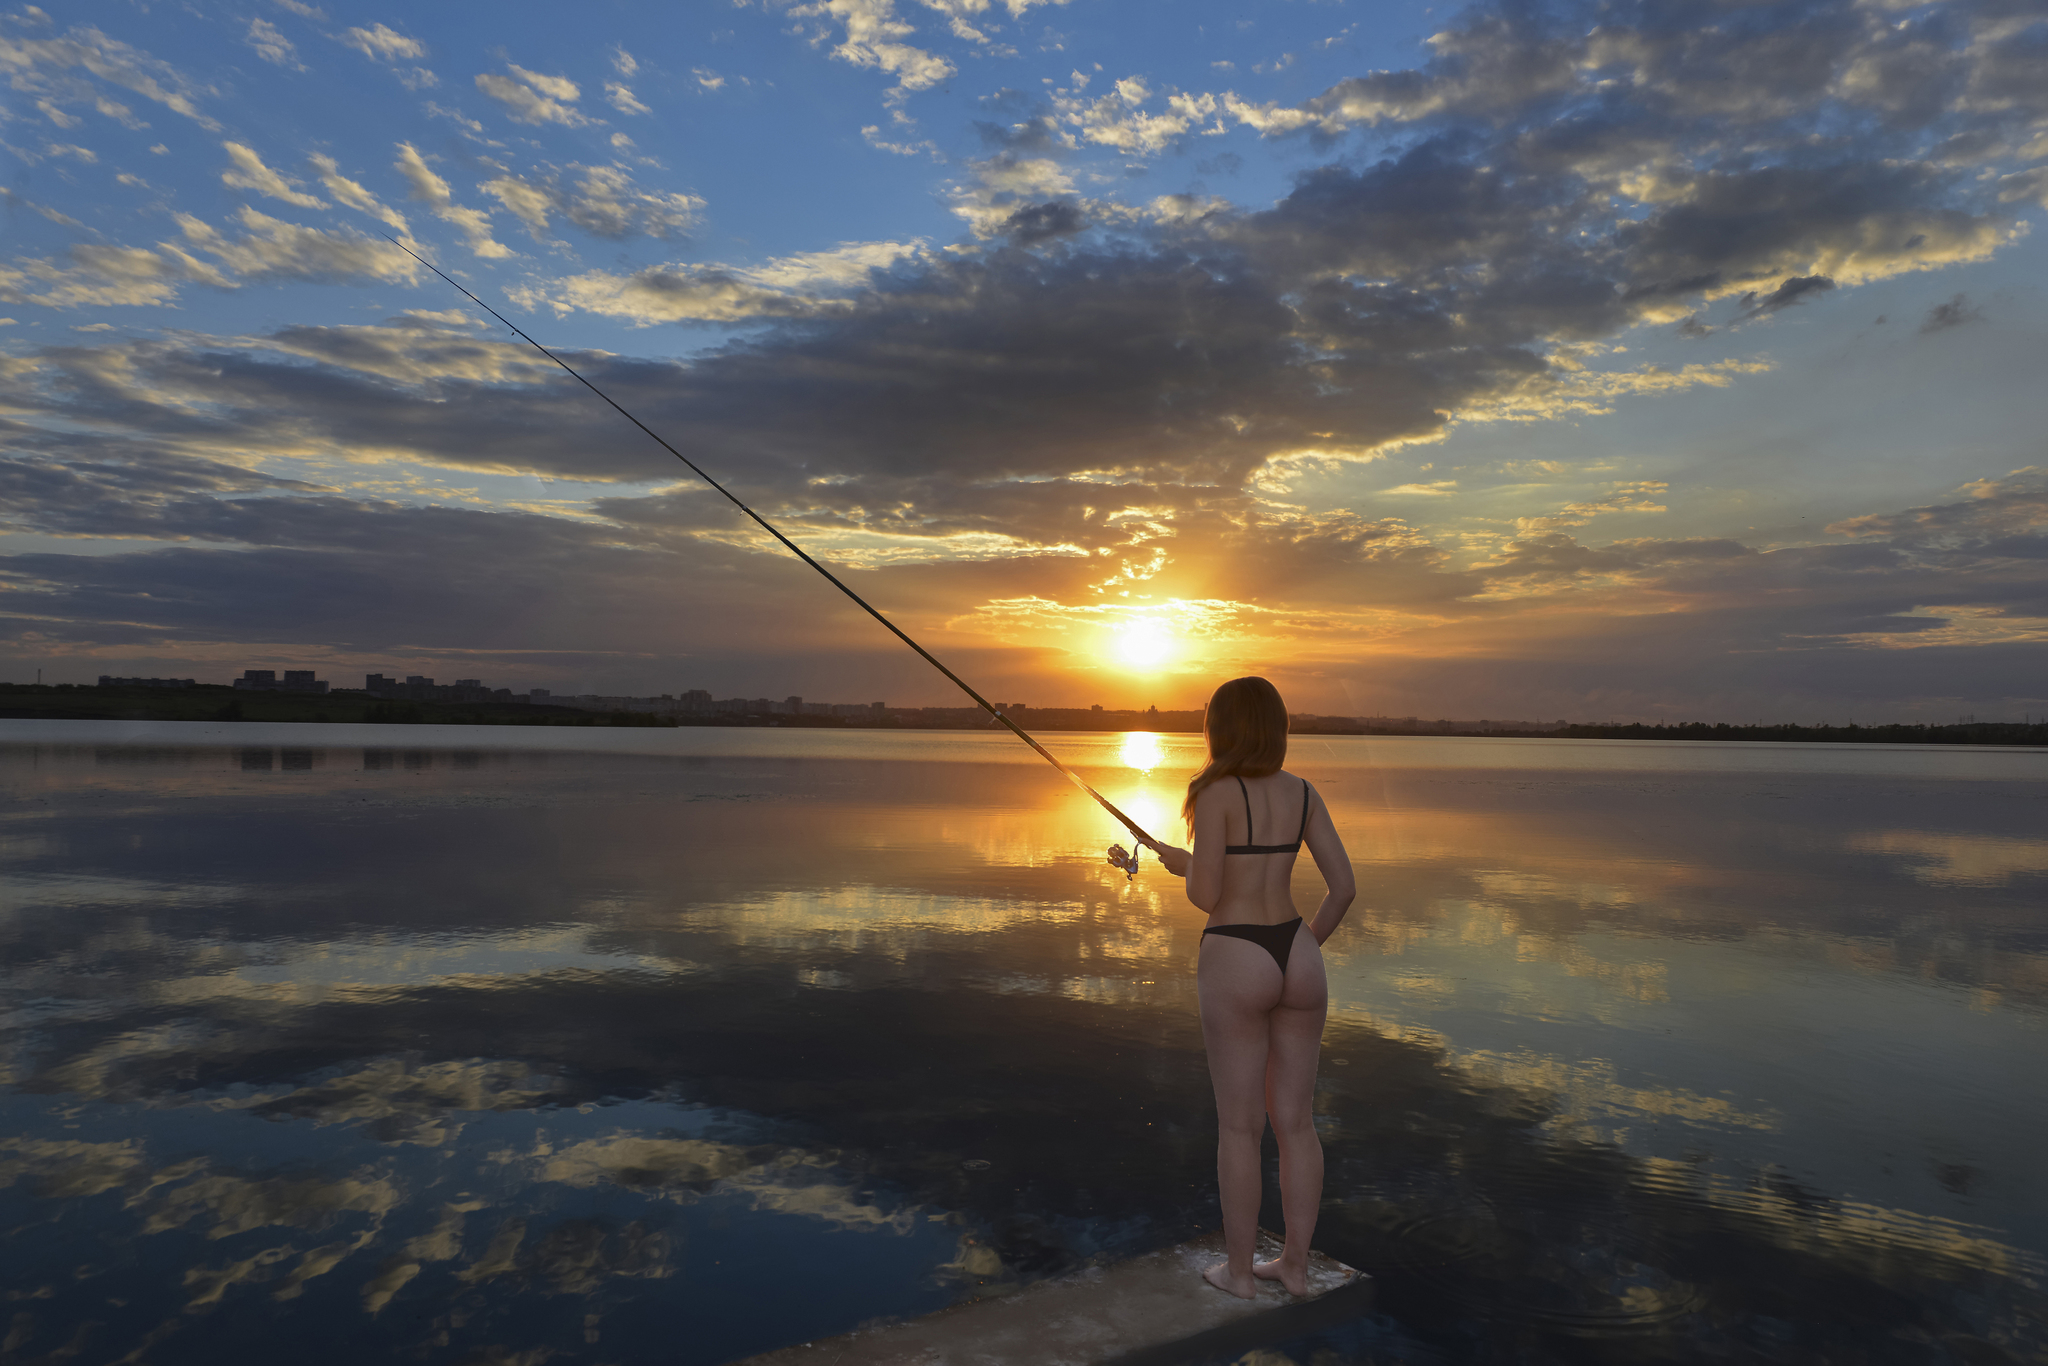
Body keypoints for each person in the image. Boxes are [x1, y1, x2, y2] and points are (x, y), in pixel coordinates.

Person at [1125, 676, 1355, 1299]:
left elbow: (1207, 894)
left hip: (1236, 954)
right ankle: (1297, 1270)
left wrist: (1186, 864)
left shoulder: (1216, 792)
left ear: (1220, 730)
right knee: (1296, 1124)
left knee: (1239, 1128)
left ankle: (1238, 1274)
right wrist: (1302, 951)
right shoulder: (1304, 793)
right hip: (1297, 952)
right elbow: (1344, 888)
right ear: (1277, 729)